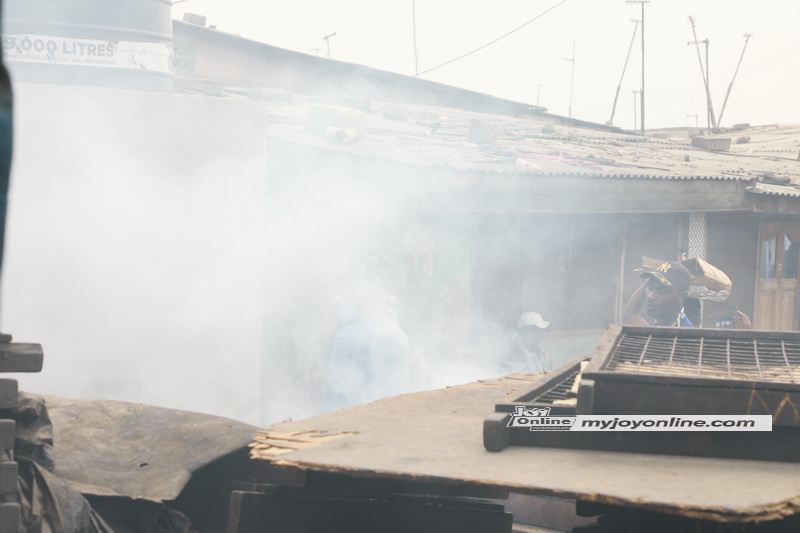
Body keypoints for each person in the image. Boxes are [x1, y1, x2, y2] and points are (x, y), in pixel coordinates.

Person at [321, 255, 410, 411]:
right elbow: (318, 359)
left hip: (392, 401)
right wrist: (315, 406)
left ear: (380, 278)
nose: (366, 281)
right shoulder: (335, 307)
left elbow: (411, 354)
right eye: (360, 276)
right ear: (351, 278)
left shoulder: (394, 305)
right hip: (344, 402)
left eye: (371, 276)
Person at [624, 261, 694, 327]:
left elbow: (630, 313)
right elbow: (630, 313)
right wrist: (651, 278)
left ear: (681, 296)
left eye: (662, 291)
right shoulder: (660, 324)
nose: (651, 296)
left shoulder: (683, 332)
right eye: (651, 288)